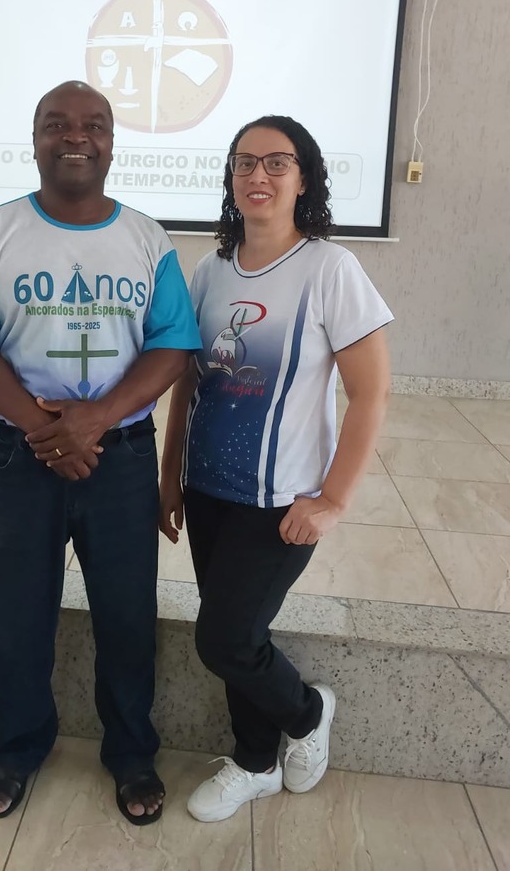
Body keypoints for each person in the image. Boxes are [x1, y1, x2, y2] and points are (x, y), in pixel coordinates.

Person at [0, 80, 200, 825]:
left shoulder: (147, 238)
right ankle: (18, 747)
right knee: (15, 613)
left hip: (120, 455)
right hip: (19, 456)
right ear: (35, 140)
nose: (75, 136)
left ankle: (132, 753)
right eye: (57, 124)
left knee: (126, 613)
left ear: (112, 143)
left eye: (93, 125)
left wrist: (96, 421)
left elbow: (173, 345)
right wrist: (43, 429)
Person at [159, 115, 392, 823]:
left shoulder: (330, 269)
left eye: (276, 162)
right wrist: (170, 476)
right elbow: (187, 382)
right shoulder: (210, 271)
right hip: (208, 489)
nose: (257, 175)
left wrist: (332, 500)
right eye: (244, 162)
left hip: (281, 499)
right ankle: (256, 763)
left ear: (304, 178)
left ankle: (308, 712)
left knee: (224, 638)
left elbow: (371, 392)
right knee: (239, 632)